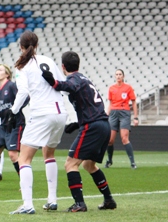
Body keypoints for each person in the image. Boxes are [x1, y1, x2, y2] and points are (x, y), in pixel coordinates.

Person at [41, 51, 116, 212]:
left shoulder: (73, 79)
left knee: (70, 164)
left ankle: (79, 204)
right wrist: (77, 123)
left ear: (63, 66)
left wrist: (53, 82)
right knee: (89, 165)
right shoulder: (85, 79)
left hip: (93, 126)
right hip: (103, 124)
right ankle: (109, 200)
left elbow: (70, 86)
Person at [8, 30, 68, 215]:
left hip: (41, 113)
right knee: (48, 154)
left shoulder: (22, 67)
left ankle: (27, 204)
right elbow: (64, 85)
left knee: (24, 158)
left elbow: (23, 92)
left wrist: (13, 111)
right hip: (60, 113)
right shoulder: (48, 60)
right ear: (37, 45)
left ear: (21, 46)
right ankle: (52, 200)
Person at [105, 69, 138, 169]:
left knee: (124, 138)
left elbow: (134, 102)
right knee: (110, 140)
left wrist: (135, 117)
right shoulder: (111, 88)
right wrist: (106, 114)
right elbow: (110, 104)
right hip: (113, 113)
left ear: (123, 76)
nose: (118, 76)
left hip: (124, 113)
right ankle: (109, 160)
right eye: (117, 74)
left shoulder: (128, 88)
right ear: (115, 76)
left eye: (120, 74)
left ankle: (132, 162)